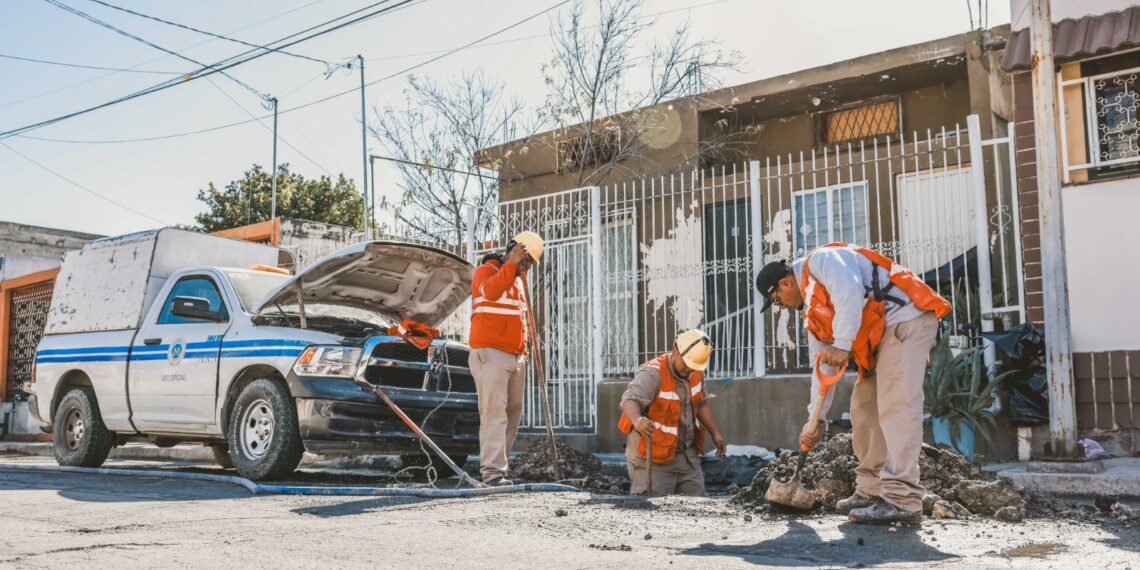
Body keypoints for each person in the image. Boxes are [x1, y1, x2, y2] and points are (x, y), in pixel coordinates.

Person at [755, 242, 950, 524]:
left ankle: (902, 499)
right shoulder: (813, 313)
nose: (780, 307)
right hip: (879, 337)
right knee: (864, 409)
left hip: (904, 320)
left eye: (776, 300)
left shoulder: (822, 261)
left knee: (897, 405)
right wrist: (816, 419)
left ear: (785, 283)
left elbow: (850, 289)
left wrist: (843, 344)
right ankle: (870, 491)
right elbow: (822, 366)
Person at [468, 231, 544, 486]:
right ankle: (492, 473)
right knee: (494, 414)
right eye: (525, 259)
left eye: (530, 263)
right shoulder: (486, 272)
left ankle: (501, 469)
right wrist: (512, 264)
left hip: (515, 356)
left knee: (512, 413)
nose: (527, 267)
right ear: (513, 250)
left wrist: (526, 349)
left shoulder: (519, 282)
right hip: (491, 354)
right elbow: (490, 292)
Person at [618, 329, 728, 496]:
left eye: (693, 367)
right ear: (675, 350)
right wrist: (637, 420)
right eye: (686, 364)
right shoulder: (652, 373)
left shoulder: (695, 370)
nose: (689, 370)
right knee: (651, 515)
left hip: (687, 459)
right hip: (653, 460)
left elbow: (700, 403)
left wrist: (716, 434)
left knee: (697, 512)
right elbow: (629, 400)